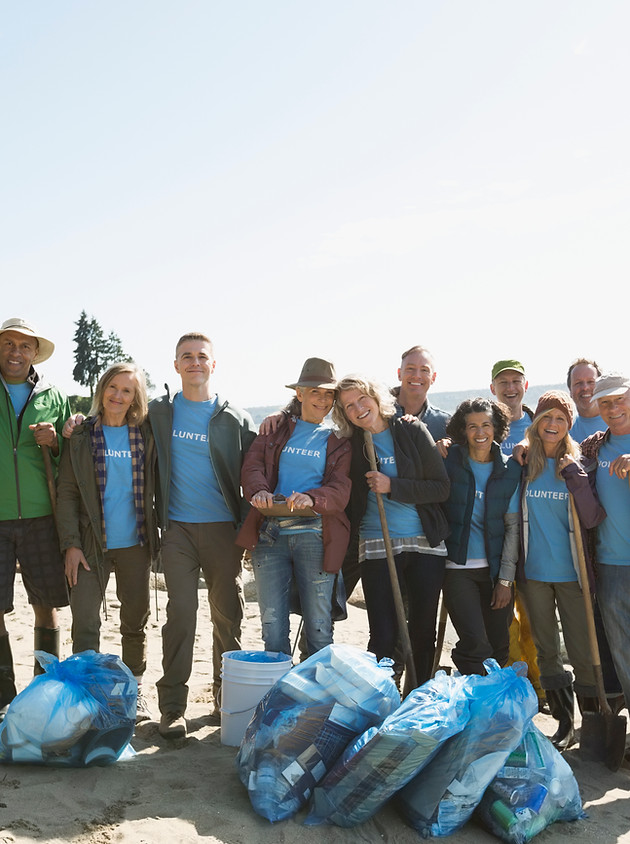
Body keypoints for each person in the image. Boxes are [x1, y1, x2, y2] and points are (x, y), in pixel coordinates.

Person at [149, 332, 256, 739]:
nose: (195, 362)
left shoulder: (235, 418)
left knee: (227, 616)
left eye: (202, 356)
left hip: (222, 531)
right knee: (181, 614)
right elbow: (115, 420)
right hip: (175, 527)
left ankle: (225, 700)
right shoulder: (158, 412)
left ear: (214, 365)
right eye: (186, 357)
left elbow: (256, 473)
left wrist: (247, 532)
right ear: (176, 365)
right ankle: (173, 706)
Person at [56, 363, 158, 723]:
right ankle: (87, 698)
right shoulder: (82, 435)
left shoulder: (145, 435)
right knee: (85, 622)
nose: (118, 395)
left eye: (127, 390)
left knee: (134, 622)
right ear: (102, 390)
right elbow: (67, 492)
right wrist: (71, 544)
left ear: (135, 398)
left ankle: (134, 694)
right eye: (113, 387)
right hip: (89, 545)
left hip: (135, 544)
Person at [333, 375, 450, 687]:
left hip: (424, 544)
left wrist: (392, 486)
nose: (358, 409)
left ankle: (417, 697)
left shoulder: (411, 430)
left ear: (376, 397)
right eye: (348, 406)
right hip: (376, 543)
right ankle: (382, 696)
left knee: (422, 629)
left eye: (362, 399)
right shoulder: (350, 446)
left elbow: (441, 488)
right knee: (383, 634)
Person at [237, 358, 351, 656]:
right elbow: (252, 467)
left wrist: (313, 498)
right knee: (272, 627)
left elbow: (340, 488)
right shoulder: (274, 430)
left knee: (319, 627)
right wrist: (259, 491)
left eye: (329, 394)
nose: (323, 399)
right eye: (315, 392)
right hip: (269, 535)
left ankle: (311, 697)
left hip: (315, 536)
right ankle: (277, 698)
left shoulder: (338, 439)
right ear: (299, 393)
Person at [517, 391, 604, 750]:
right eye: (546, 418)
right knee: (546, 649)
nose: (552, 425)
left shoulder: (578, 462)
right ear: (536, 424)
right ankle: (565, 724)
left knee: (583, 650)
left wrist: (576, 478)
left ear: (568, 425)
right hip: (534, 574)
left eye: (560, 419)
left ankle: (592, 724)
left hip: (572, 574)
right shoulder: (522, 464)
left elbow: (593, 517)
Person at [0, 317, 70, 720]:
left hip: (43, 517)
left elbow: (67, 456)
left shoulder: (52, 395)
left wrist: (56, 441)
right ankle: (3, 695)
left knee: (47, 604)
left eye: (24, 346)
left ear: (34, 353)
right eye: (9, 344)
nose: (16, 352)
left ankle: (43, 690)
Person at [441, 398, 521, 676]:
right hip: (457, 570)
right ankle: (473, 705)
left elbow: (512, 528)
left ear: (496, 427)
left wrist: (505, 581)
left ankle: (492, 709)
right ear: (462, 431)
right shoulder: (449, 462)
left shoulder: (511, 470)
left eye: (486, 424)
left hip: (496, 572)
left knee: (499, 646)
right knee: (476, 644)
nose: (480, 432)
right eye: (472, 426)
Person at [581, 372, 630, 718]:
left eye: (620, 399)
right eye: (606, 402)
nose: (614, 408)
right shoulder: (593, 448)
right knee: (624, 655)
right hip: (611, 567)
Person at [393, 346, 451, 440]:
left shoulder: (444, 423)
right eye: (410, 368)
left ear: (433, 378)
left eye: (424, 370)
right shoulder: (378, 413)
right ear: (399, 374)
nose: (416, 376)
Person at [567, 358, 605, 442]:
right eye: (578, 383)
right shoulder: (565, 433)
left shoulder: (622, 423)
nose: (585, 387)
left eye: (591, 382)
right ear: (570, 391)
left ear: (601, 387)